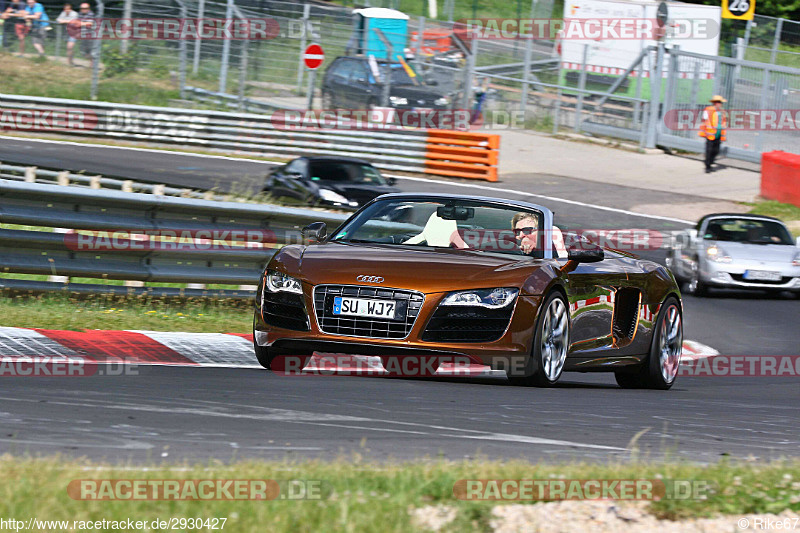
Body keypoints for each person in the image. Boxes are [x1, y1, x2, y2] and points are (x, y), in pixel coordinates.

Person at [699, 95, 727, 174]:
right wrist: (704, 131)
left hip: (718, 134)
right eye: (718, 102)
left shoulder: (722, 112)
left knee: (716, 151)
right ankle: (707, 166)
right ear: (714, 103)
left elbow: (723, 123)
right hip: (710, 134)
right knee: (709, 150)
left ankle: (709, 161)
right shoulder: (708, 110)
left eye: (720, 102)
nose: (719, 104)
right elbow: (704, 120)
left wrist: (723, 134)